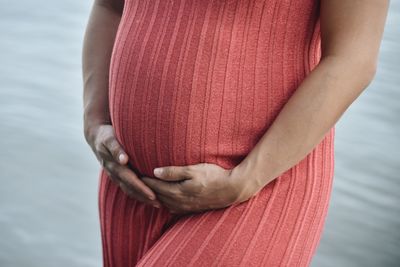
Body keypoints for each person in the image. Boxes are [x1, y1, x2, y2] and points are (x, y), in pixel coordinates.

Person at [82, 0, 389, 266]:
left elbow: (353, 58)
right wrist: (94, 120)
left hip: (255, 190)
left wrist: (245, 180)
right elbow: (110, 7)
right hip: (129, 187)